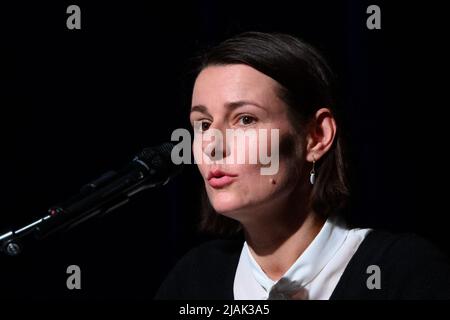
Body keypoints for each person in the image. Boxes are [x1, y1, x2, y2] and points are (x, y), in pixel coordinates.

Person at [155, 32, 450, 300]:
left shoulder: (401, 271)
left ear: (316, 137)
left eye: (245, 119)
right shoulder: (194, 280)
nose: (212, 146)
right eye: (203, 125)